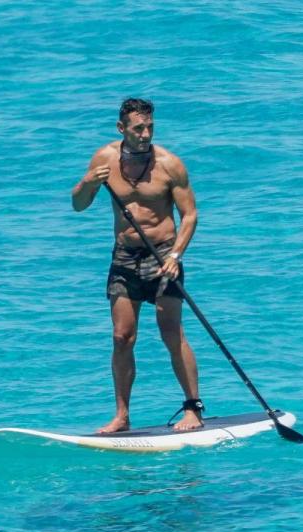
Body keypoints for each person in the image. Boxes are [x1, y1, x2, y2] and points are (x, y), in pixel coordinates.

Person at [71, 98, 203, 433]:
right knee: (121, 337)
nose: (145, 134)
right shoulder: (105, 159)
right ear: (121, 129)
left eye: (150, 128)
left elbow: (189, 215)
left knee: (171, 333)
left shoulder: (170, 165)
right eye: (138, 128)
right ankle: (122, 415)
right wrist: (88, 183)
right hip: (124, 257)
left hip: (162, 256)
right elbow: (78, 205)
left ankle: (193, 409)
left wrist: (176, 256)